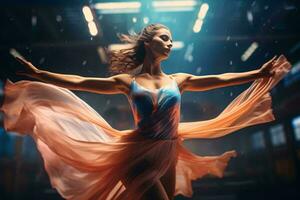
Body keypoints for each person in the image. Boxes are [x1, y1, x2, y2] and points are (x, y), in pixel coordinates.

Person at [0, 23, 291, 200]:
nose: (170, 43)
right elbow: (81, 82)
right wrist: (40, 73)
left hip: (169, 152)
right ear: (147, 43)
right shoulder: (129, 82)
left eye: (171, 39)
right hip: (137, 155)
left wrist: (258, 72)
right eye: (164, 38)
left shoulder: (179, 80)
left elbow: (220, 80)